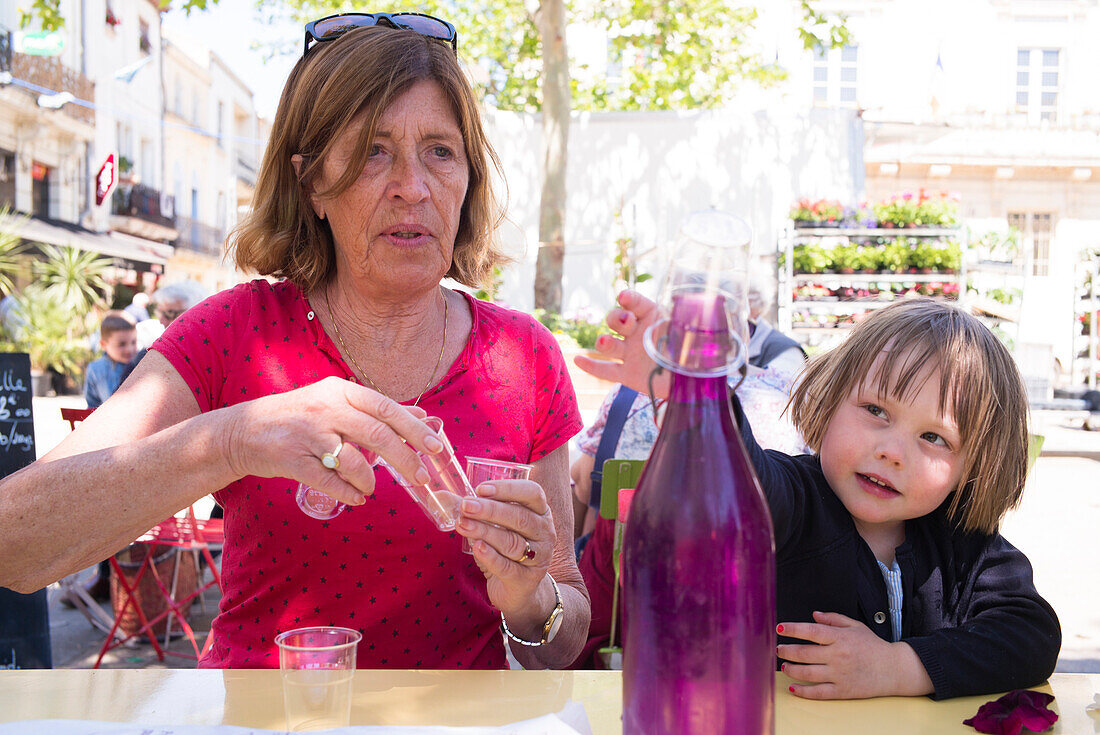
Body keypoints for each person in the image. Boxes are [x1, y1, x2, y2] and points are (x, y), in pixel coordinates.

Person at [0, 13, 589, 671]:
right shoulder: (234, 333)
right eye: (373, 150)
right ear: (311, 183)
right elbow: (14, 544)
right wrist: (232, 439)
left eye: (440, 151)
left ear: (467, 178)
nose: (414, 186)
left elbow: (565, 637)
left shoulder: (525, 356)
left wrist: (530, 597)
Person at [575, 290, 1060, 700]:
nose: (892, 452)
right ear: (828, 403)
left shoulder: (966, 546)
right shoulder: (792, 501)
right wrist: (690, 385)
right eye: (875, 410)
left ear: (971, 468)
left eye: (934, 438)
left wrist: (898, 668)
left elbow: (1032, 635)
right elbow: (737, 475)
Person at [83, 310, 138, 409]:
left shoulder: (140, 363)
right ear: (103, 344)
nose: (129, 349)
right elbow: (92, 404)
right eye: (122, 344)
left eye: (133, 342)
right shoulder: (96, 369)